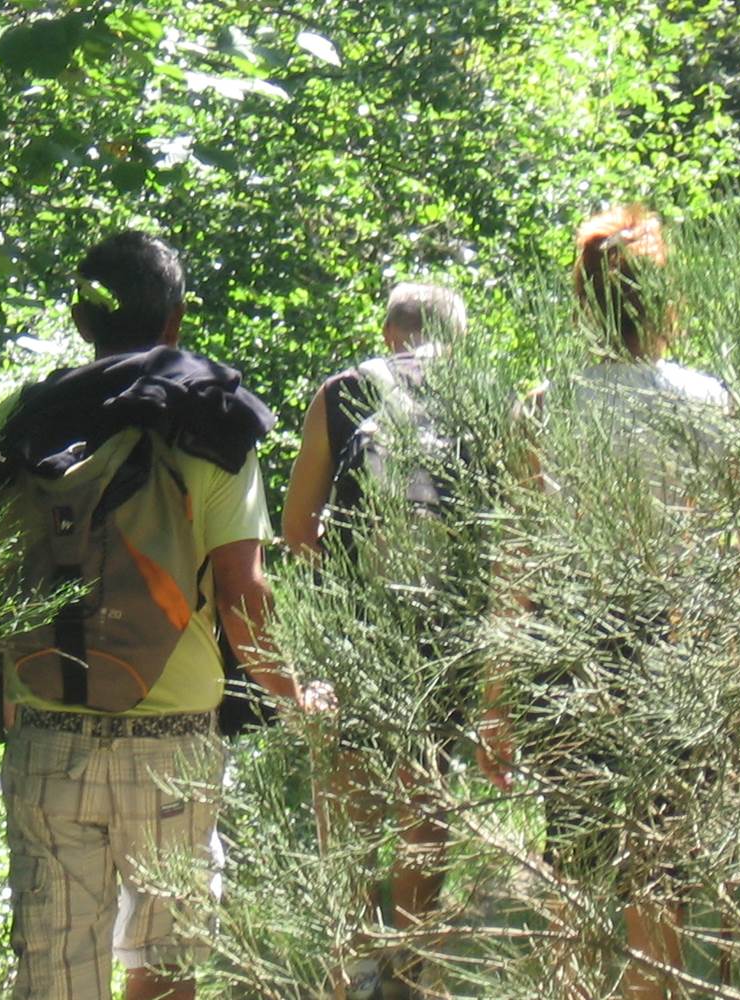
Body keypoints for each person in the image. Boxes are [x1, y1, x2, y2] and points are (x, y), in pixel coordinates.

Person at [0, 230, 323, 1000]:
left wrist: (9, 702)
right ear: (175, 319)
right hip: (173, 745)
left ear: (81, 319)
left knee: (56, 975)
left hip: (49, 733)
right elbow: (243, 596)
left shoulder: (24, 419)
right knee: (164, 968)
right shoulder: (211, 422)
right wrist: (294, 696)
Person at [476, 204, 732, 1000]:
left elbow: (516, 563)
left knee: (577, 863)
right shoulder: (707, 401)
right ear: (665, 301)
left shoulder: (545, 407)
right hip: (675, 653)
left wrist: (496, 700)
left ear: (585, 302)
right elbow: (738, 554)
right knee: (659, 870)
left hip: (570, 656)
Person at [279, 282, 470, 995]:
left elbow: (298, 529)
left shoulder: (343, 393)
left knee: (348, 803)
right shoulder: (477, 396)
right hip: (441, 634)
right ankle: (409, 972)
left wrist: (335, 597)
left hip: (355, 629)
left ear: (389, 333)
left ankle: (353, 973)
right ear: (455, 340)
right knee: (425, 799)